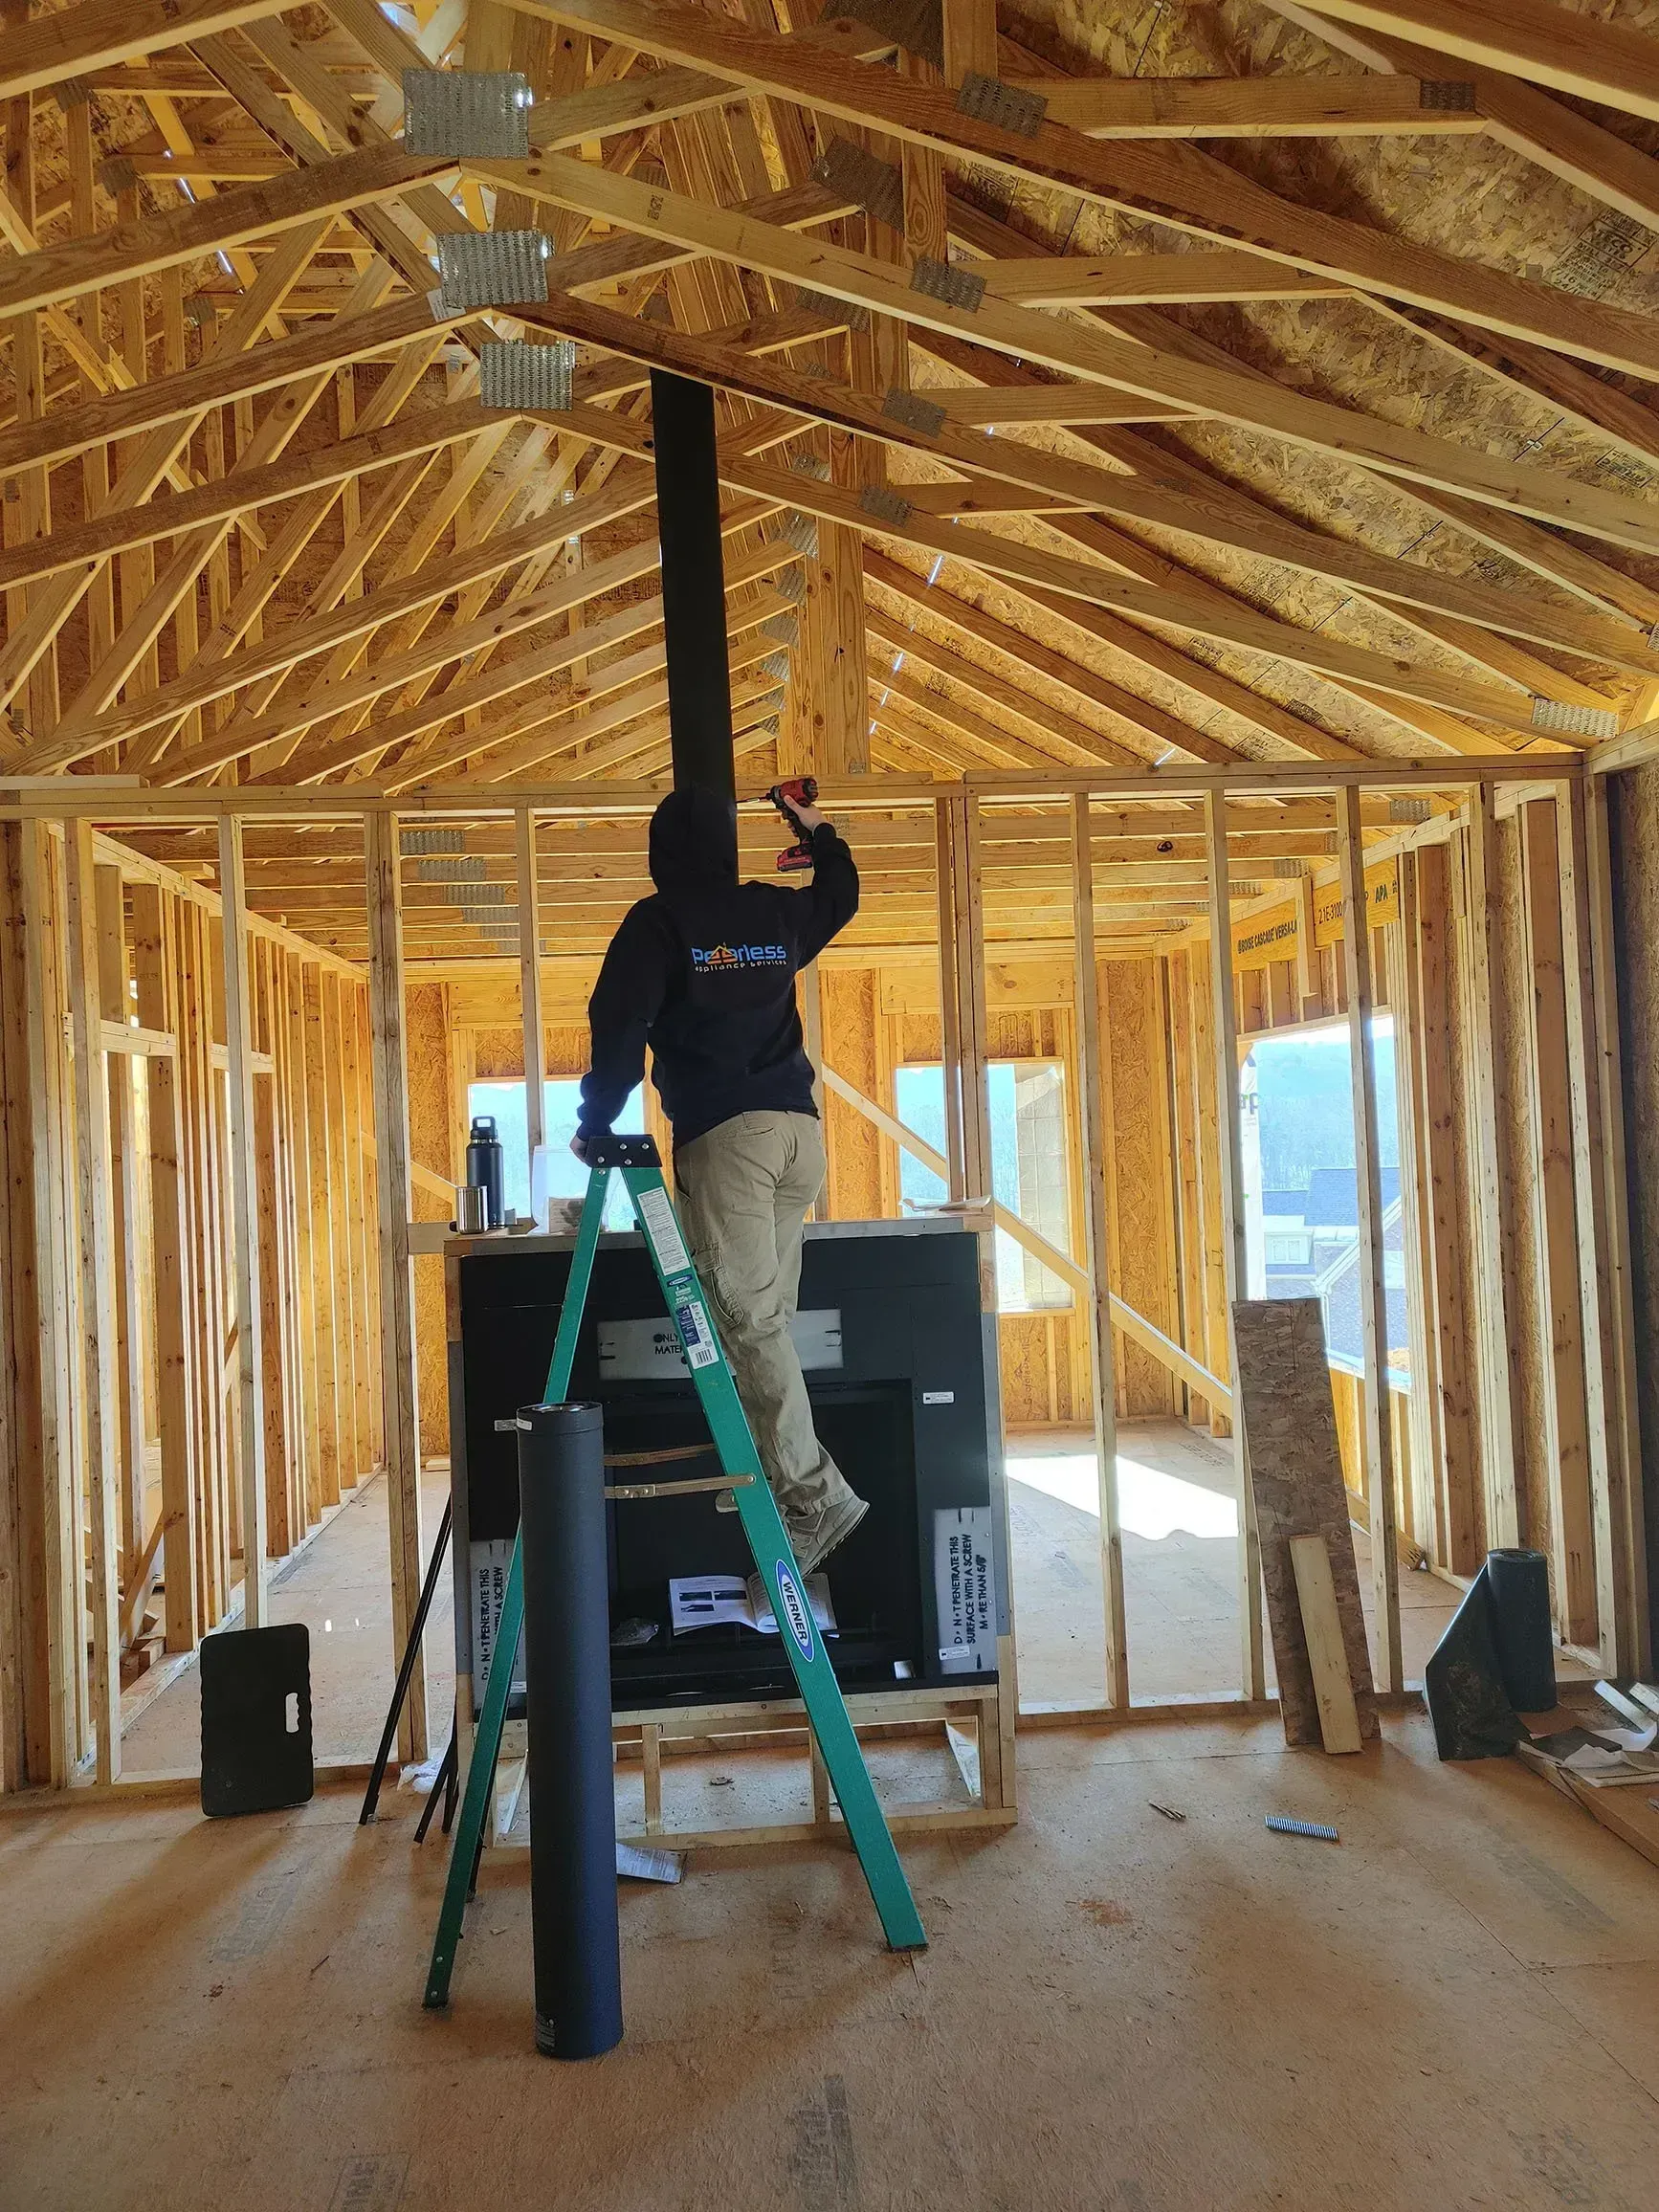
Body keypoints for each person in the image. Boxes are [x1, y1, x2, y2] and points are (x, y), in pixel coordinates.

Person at [572, 784, 867, 1573]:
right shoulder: (772, 912)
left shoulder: (659, 922)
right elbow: (841, 894)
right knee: (762, 1318)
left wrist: (597, 1120)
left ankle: (813, 1498)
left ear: (660, 856)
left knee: (748, 1321)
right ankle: (772, 1477)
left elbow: (619, 1024)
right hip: (798, 1135)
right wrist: (818, 827)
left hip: (729, 1141)